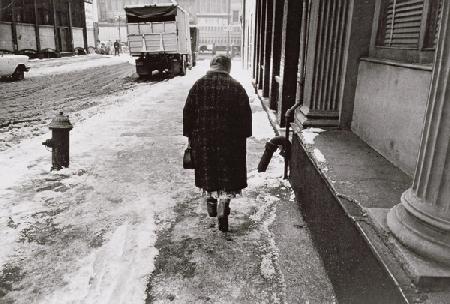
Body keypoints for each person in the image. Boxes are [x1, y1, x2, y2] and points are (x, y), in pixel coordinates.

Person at [183, 55, 252, 232]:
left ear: (212, 66)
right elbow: (245, 117)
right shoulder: (236, 87)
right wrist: (243, 135)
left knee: (210, 172)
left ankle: (212, 200)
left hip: (204, 140)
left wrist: (190, 136)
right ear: (227, 68)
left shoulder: (198, 85)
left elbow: (188, 112)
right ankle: (224, 205)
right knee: (227, 176)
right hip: (230, 141)